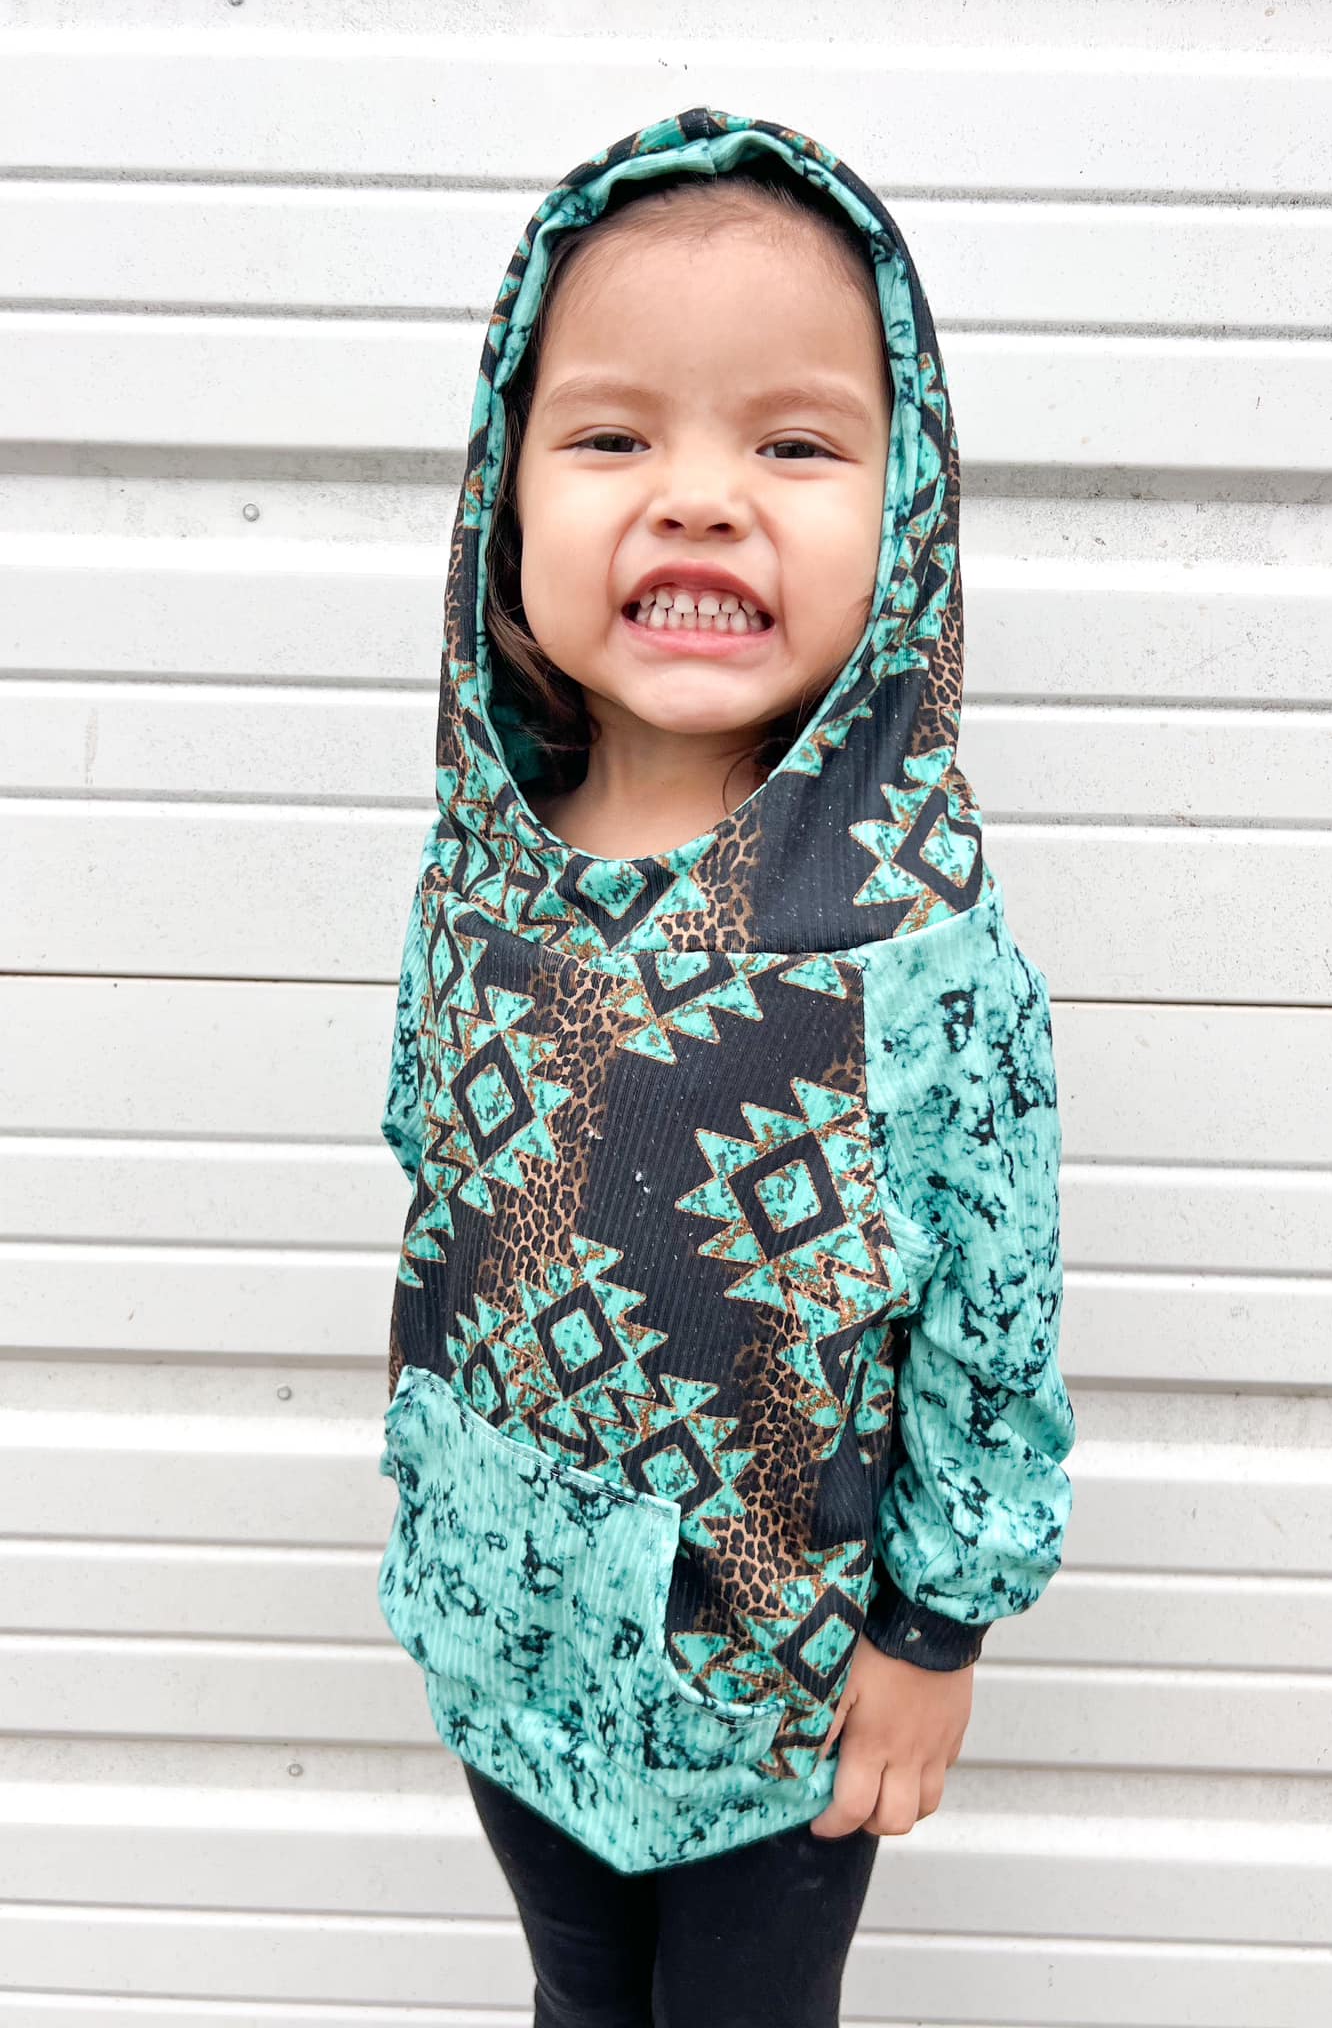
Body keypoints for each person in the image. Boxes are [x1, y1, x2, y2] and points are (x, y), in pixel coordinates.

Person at [375, 107, 1076, 2028]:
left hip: (774, 1691)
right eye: (612, 438)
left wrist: (936, 1632)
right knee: (574, 1999)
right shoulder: (477, 872)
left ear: (906, 514)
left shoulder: (911, 952)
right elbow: (442, 1198)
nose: (696, 497)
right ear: (503, 493)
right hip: (510, 1633)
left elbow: (992, 1329)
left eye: (791, 444)